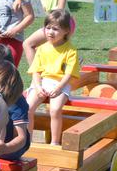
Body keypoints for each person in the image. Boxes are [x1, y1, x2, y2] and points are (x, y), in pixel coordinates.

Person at [26, 9, 81, 147]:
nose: (50, 32)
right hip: (42, 82)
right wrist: (38, 87)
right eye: (48, 28)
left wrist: (58, 88)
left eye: (55, 29)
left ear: (66, 31)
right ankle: (27, 141)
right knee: (27, 108)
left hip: (60, 83)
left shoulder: (71, 50)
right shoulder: (42, 48)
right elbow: (36, 71)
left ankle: (54, 142)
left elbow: (69, 74)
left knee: (55, 110)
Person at [0, 45, 31, 171]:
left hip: (11, 147)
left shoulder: (16, 99)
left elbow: (21, 139)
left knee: (0, 114)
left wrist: (4, 147)